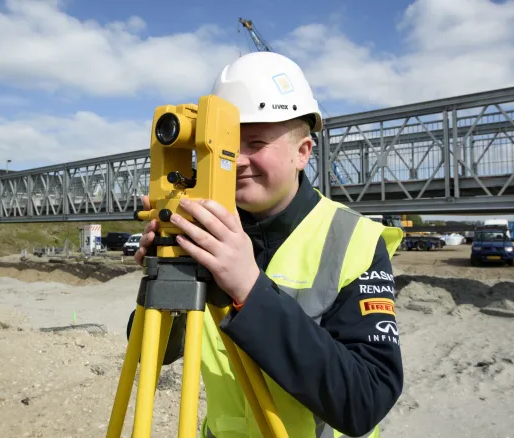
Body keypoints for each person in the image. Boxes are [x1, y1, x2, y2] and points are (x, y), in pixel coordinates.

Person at [127, 51, 404, 438]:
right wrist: (167, 271)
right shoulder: (200, 232)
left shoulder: (353, 240)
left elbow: (365, 401)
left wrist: (250, 290)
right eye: (225, 144)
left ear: (302, 153)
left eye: (255, 142)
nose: (236, 160)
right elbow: (151, 356)